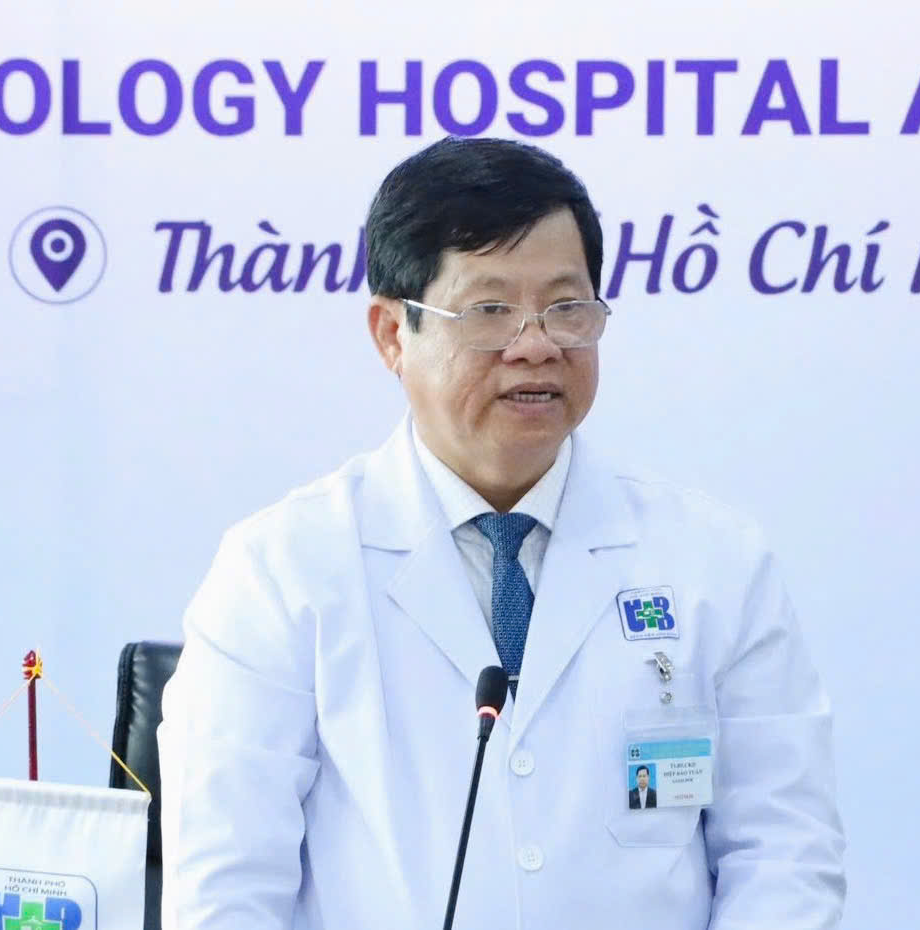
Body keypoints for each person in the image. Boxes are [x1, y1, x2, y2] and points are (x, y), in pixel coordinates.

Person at [158, 137, 846, 930]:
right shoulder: (280, 571)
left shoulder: (713, 562)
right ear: (392, 333)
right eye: (490, 311)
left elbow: (784, 856)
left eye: (566, 307)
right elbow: (227, 894)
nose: (536, 345)